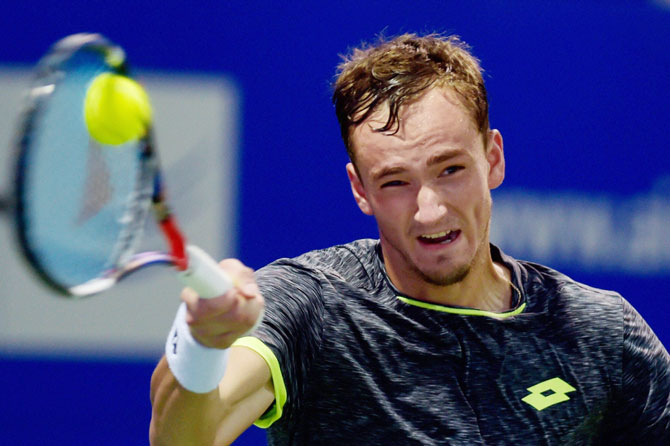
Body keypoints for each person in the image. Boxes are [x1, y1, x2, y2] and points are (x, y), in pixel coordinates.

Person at [149, 33, 670, 445]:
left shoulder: (601, 332)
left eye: (449, 169)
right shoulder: (311, 305)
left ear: (493, 158)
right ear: (360, 190)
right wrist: (201, 344)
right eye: (396, 182)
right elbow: (186, 438)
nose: (429, 210)